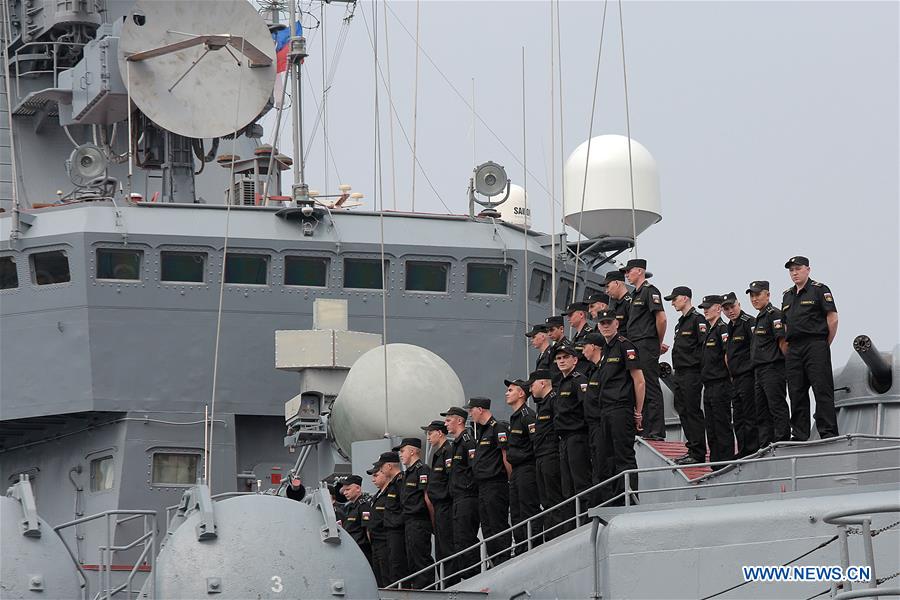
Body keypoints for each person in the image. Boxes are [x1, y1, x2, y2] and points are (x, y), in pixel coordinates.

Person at [781, 256, 840, 441]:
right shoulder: (787, 295)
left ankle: (828, 432)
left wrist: (823, 344)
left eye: (798, 268)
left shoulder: (819, 290)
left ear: (808, 269)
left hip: (815, 344)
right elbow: (785, 325)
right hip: (794, 348)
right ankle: (799, 434)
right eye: (791, 270)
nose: (794, 273)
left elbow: (833, 318)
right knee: (796, 392)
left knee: (822, 389)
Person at [590, 313, 644, 505]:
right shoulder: (606, 350)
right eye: (602, 323)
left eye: (608, 323)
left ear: (616, 323)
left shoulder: (624, 345)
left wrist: (638, 411)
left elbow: (639, 380)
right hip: (606, 410)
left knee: (624, 457)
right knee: (607, 458)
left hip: (621, 408)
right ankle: (615, 500)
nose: (605, 326)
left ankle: (630, 500)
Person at [622, 258, 667, 439]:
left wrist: (657, 342)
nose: (627, 275)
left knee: (650, 384)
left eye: (629, 271)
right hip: (636, 344)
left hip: (646, 343)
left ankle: (656, 429)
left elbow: (661, 319)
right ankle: (647, 427)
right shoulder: (635, 295)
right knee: (641, 385)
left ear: (639, 271)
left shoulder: (650, 291)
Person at [467, 396, 512, 567]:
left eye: (472, 410)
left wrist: (509, 480)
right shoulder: (481, 432)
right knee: (486, 526)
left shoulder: (496, 427)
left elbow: (505, 456)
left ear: (480, 409)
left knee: (497, 522)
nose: (470, 414)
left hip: (496, 484)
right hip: (483, 487)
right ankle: (495, 560)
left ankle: (503, 558)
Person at [665, 286, 708, 465]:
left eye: (675, 299)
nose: (673, 303)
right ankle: (691, 448)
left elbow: (703, 346)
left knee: (692, 410)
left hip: (692, 372)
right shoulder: (680, 323)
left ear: (685, 298)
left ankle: (698, 452)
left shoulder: (697, 320)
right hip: (680, 373)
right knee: (682, 409)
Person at [747, 280, 790, 445]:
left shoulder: (774, 314)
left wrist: (786, 366)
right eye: (752, 295)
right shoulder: (759, 317)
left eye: (758, 294)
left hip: (773, 368)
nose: (754, 299)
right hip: (759, 370)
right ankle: (765, 445)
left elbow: (783, 342)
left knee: (776, 406)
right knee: (761, 411)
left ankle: (782, 441)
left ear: (768, 294)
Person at [503, 378, 542, 553]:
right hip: (517, 471)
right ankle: (521, 546)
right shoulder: (515, 418)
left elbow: (536, 444)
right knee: (516, 511)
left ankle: (532, 545)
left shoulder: (528, 416)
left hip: (527, 468)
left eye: (511, 390)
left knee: (528, 508)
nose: (506, 393)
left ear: (521, 394)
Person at [552, 344, 593, 509]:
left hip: (578, 436)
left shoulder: (579, 380)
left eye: (565, 357)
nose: (561, 361)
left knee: (581, 481)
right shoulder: (561, 383)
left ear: (575, 360)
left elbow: (587, 407)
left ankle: (586, 521)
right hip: (564, 439)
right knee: (567, 486)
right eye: (558, 358)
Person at [442, 406, 479, 582]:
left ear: (459, 421)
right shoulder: (454, 445)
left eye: (449, 420)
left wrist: (468, 487)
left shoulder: (467, 441)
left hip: (467, 497)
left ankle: (473, 575)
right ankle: (466, 575)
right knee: (459, 540)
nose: (445, 424)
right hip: (457, 499)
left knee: (466, 538)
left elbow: (474, 469)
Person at [699, 295, 736, 468]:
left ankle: (725, 463)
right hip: (708, 385)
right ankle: (715, 463)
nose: (705, 310)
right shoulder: (708, 330)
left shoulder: (722, 329)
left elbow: (728, 355)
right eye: (704, 307)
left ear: (718, 308)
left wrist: (730, 379)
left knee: (722, 425)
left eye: (708, 307)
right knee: (711, 428)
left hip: (720, 383)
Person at [528, 369, 566, 539]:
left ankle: (557, 534)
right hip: (541, 456)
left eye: (532, 385)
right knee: (546, 499)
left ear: (542, 383)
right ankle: (550, 534)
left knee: (554, 497)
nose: (530, 389)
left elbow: (558, 426)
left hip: (552, 454)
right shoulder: (543, 403)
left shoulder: (553, 400)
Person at [391, 438, 433, 589]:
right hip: (409, 522)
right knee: (412, 559)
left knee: (421, 557)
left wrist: (432, 521)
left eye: (402, 451)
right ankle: (418, 587)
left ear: (413, 451)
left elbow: (427, 498)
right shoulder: (407, 473)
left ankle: (426, 589)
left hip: (419, 520)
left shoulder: (422, 470)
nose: (400, 455)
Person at [722, 292, 759, 457]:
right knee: (738, 416)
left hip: (748, 375)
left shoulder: (748, 322)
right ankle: (743, 449)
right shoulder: (729, 326)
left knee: (749, 414)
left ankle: (752, 448)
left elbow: (756, 348)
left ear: (739, 304)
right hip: (735, 378)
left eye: (732, 306)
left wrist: (751, 369)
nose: (730, 311)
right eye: (726, 308)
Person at [421, 420, 454, 568]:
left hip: (446, 505)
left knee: (447, 546)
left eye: (430, 433)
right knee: (441, 547)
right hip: (439, 506)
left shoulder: (448, 451)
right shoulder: (438, 454)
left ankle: (450, 579)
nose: (428, 437)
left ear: (439, 433)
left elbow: (451, 477)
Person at [377, 452, 408, 585]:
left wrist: (396, 523)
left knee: (398, 566)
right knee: (392, 567)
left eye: (381, 466)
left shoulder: (401, 481)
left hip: (398, 531)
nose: (381, 469)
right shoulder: (393, 484)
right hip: (390, 532)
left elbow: (406, 506)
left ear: (389, 466)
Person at [580, 332, 606, 490]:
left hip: (601, 423)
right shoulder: (593, 371)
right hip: (592, 426)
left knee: (603, 465)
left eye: (584, 347)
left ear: (594, 347)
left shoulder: (604, 370)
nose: (582, 351)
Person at [365, 461, 391, 587]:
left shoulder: (390, 494)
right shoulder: (375, 497)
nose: (373, 479)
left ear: (385, 474)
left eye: (376, 475)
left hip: (385, 541)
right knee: (378, 579)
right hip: (375, 543)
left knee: (387, 576)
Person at [339, 475, 373, 565]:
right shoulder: (351, 507)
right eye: (344, 490)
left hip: (362, 551)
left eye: (348, 489)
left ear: (358, 488)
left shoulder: (364, 506)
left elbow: (368, 529)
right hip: (353, 549)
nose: (345, 493)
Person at [565, 302, 594, 374]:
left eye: (570, 315)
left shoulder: (590, 334)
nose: (568, 319)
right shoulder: (576, 336)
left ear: (581, 314)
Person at [604, 270, 632, 339]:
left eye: (608, 286)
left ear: (617, 283)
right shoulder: (614, 305)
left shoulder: (630, 303)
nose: (606, 291)